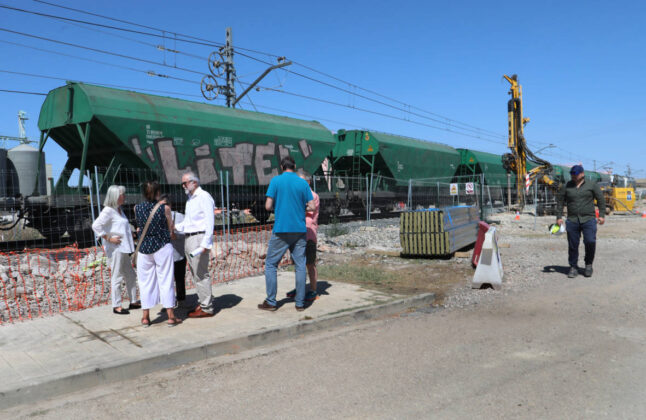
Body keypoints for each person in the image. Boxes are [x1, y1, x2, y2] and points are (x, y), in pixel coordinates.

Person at [259, 156, 315, 312]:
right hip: (299, 229)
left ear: (282, 167)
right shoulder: (302, 183)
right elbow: (311, 206)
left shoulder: (276, 181)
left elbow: (268, 206)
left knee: (271, 264)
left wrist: (280, 205)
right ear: (294, 166)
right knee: (300, 265)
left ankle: (271, 302)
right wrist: (299, 208)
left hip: (281, 229)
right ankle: (299, 303)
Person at [135, 181, 181, 327]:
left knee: (145, 283)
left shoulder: (137, 208)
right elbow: (170, 229)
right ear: (157, 193)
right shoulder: (165, 208)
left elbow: (140, 228)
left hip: (143, 249)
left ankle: (145, 317)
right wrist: (172, 234)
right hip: (162, 247)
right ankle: (171, 317)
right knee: (166, 280)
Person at [92, 185, 140, 315]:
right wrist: (108, 238)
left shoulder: (119, 209)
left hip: (123, 248)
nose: (124, 196)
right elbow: (96, 225)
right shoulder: (108, 210)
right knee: (117, 276)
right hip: (115, 249)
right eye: (122, 195)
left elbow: (120, 227)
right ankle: (116, 305)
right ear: (115, 196)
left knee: (130, 275)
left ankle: (133, 301)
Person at [175, 171, 216, 318]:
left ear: (194, 182)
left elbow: (210, 221)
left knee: (200, 273)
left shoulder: (203, 197)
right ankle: (203, 301)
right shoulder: (191, 199)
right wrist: (174, 227)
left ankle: (207, 307)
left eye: (185, 183)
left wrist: (206, 243)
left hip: (198, 239)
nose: (183, 185)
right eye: (182, 183)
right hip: (190, 239)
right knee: (195, 272)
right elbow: (188, 222)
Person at [556, 165, 606, 278]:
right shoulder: (566, 186)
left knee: (590, 241)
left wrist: (602, 215)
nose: (573, 175)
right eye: (572, 173)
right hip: (572, 220)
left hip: (589, 219)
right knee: (573, 245)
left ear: (582, 174)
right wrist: (559, 217)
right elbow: (560, 202)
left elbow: (601, 200)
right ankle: (573, 267)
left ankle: (588, 264)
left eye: (576, 173)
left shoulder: (591, 185)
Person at [286, 171, 320, 302]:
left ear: (308, 182)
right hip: (296, 233)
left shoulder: (313, 196)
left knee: (310, 264)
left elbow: (309, 209)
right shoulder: (297, 195)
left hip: (309, 234)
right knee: (298, 264)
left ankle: (313, 290)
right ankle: (299, 288)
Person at [159, 194, 187, 306]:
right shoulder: (158, 218)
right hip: (164, 255)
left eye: (164, 205)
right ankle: (169, 301)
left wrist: (177, 235)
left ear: (170, 205)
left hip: (178, 253)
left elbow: (187, 232)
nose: (162, 208)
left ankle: (181, 299)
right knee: (166, 280)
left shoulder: (180, 216)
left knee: (180, 278)